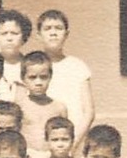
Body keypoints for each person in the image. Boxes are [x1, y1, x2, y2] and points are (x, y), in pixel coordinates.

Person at [36, 9, 95, 145]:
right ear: (39, 35)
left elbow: (89, 112)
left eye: (58, 28)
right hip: (40, 143)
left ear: (66, 34)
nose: (53, 33)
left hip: (73, 141)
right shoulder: (32, 66)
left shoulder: (78, 67)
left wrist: (73, 144)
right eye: (47, 29)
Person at [18, 51, 69, 154]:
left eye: (43, 77)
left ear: (50, 77)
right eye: (32, 77)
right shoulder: (19, 106)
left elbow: (65, 137)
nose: (38, 83)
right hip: (27, 157)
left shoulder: (59, 108)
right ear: (23, 78)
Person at [0, 9, 32, 98]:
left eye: (14, 33)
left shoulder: (31, 66)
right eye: (4, 33)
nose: (9, 38)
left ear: (24, 37)